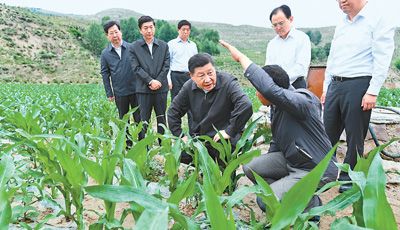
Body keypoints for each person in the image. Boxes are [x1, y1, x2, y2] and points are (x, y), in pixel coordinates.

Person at [220, 40, 338, 213]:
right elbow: (277, 142)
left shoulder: (302, 101)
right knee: (251, 168)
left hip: (315, 169)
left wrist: (240, 57)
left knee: (266, 201)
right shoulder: (277, 107)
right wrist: (270, 166)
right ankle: (290, 193)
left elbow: (269, 90)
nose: (257, 94)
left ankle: (311, 205)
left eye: (258, 90)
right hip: (293, 161)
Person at [321, 0, 395, 192]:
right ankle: (325, 173)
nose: (341, 1)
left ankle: (348, 178)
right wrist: (326, 87)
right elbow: (333, 56)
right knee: (327, 133)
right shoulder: (342, 22)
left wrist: (372, 91)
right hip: (335, 84)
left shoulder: (377, 17)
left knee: (355, 136)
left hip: (359, 83)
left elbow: (383, 55)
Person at [167, 53, 253, 165]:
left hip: (223, 137)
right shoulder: (188, 87)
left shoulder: (228, 83)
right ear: (191, 76)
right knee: (182, 154)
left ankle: (228, 180)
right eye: (201, 75)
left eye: (210, 73)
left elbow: (245, 104)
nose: (208, 79)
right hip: (200, 137)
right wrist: (180, 135)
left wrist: (230, 130)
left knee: (224, 159)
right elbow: (173, 111)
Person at [100, 20, 141, 143]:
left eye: (116, 32)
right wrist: (109, 92)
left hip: (136, 90)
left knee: (139, 118)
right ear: (107, 36)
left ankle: (143, 143)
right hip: (120, 92)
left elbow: (141, 67)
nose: (115, 35)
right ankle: (127, 144)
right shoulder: (105, 54)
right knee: (124, 120)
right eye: (111, 33)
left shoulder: (132, 48)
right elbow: (105, 73)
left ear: (120, 32)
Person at [130, 16, 170, 136]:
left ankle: (163, 145)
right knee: (144, 120)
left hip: (161, 89)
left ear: (154, 28)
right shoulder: (134, 47)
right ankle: (144, 148)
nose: (149, 31)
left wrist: (158, 80)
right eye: (145, 28)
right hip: (143, 89)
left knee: (162, 119)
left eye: (151, 27)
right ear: (140, 30)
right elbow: (136, 68)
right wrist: (150, 81)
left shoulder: (164, 46)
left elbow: (166, 65)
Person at [265, 4, 311, 89]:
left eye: (281, 23)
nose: (278, 28)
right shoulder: (272, 44)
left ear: (290, 19)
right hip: (276, 88)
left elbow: (301, 66)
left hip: (296, 86)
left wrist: (282, 80)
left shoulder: (302, 38)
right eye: (275, 25)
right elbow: (269, 67)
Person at [167, 20, 198, 132]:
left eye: (188, 30)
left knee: (193, 104)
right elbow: (168, 63)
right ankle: (176, 132)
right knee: (176, 105)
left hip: (190, 77)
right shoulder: (171, 44)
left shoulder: (193, 45)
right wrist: (168, 79)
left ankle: (193, 132)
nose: (185, 32)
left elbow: (196, 63)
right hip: (176, 77)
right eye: (183, 29)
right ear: (178, 30)